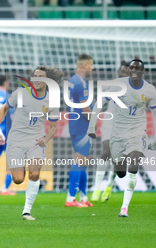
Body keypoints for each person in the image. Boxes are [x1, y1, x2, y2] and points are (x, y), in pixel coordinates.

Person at [0, 66, 63, 220]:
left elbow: (52, 127)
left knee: (35, 173)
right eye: (35, 76)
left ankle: (26, 211)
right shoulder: (21, 93)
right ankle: (21, 165)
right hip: (16, 140)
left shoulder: (52, 100)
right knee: (17, 179)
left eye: (41, 76)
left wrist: (45, 139)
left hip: (36, 141)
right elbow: (4, 109)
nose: (36, 79)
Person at [88, 59, 156, 217]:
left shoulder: (150, 90)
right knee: (121, 172)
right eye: (131, 67)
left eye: (137, 68)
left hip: (137, 132)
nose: (133, 70)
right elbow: (99, 103)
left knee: (133, 165)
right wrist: (92, 126)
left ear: (142, 71)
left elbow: (154, 113)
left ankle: (124, 208)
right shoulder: (118, 85)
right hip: (117, 133)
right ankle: (109, 182)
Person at [91, 62, 129, 202]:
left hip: (124, 126)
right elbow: (99, 103)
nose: (123, 73)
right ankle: (96, 188)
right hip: (109, 122)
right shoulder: (111, 85)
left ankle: (109, 185)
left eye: (126, 71)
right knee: (106, 152)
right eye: (122, 70)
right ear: (118, 71)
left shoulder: (134, 88)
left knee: (117, 158)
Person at [65, 54, 94, 208]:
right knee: (80, 160)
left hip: (75, 125)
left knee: (83, 162)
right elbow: (86, 108)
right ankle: (70, 198)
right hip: (82, 125)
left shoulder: (72, 80)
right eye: (91, 65)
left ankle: (83, 197)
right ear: (85, 66)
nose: (92, 68)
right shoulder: (81, 83)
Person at [0, 75, 15, 196]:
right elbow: (13, 115)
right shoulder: (9, 96)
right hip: (7, 133)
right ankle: (4, 188)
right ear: (6, 83)